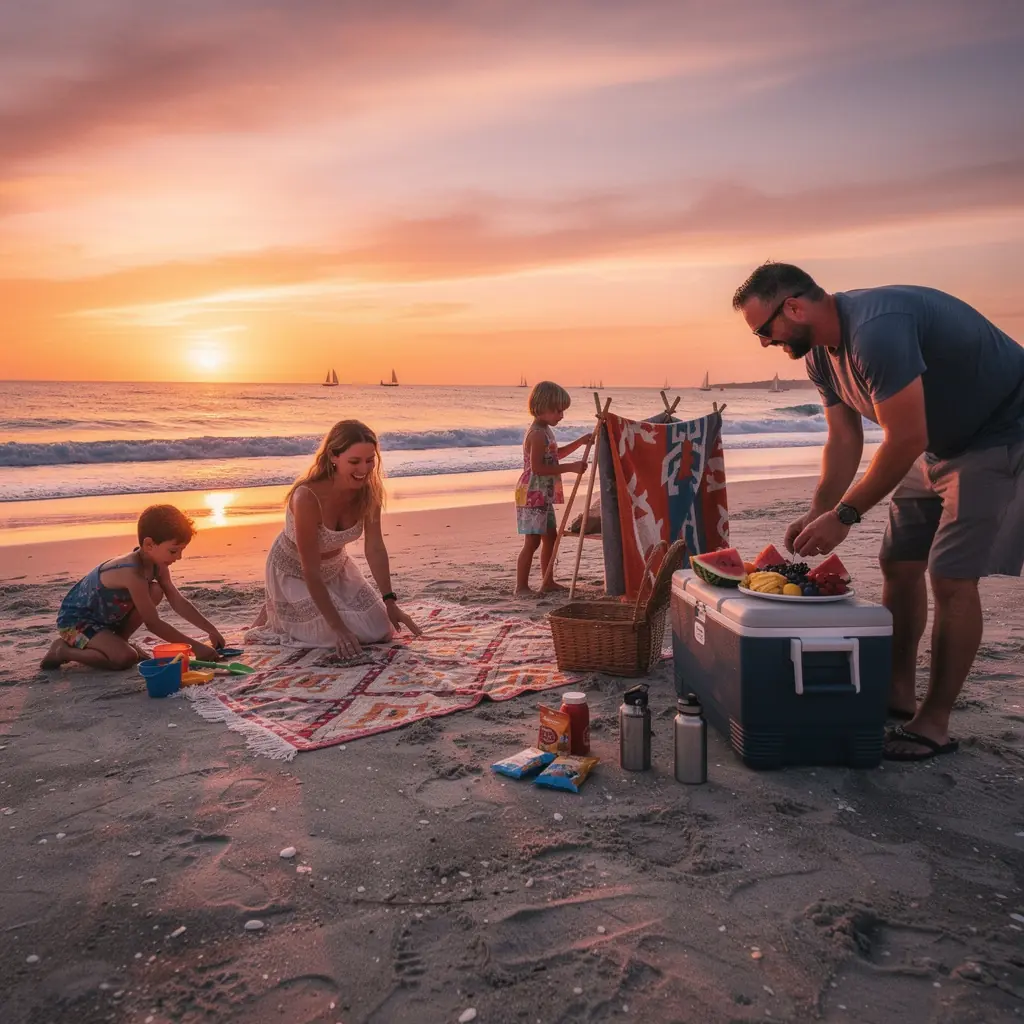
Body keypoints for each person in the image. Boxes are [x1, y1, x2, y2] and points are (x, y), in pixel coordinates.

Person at [732, 262, 1024, 762]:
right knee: (899, 562)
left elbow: (906, 436)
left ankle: (933, 724)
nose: (763, 342)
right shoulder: (821, 357)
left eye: (765, 330)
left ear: (796, 307)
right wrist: (819, 508)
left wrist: (845, 516)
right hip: (935, 445)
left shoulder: (875, 330)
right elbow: (843, 439)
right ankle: (897, 692)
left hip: (999, 433)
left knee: (951, 575)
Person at [248, 419, 421, 658]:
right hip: (296, 571)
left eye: (370, 460)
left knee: (380, 630)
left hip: (337, 569)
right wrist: (338, 629)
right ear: (333, 456)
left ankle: (287, 609)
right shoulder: (306, 497)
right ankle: (276, 607)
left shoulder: (370, 491)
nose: (364, 469)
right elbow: (310, 570)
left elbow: (375, 548)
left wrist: (390, 602)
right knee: (334, 637)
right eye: (354, 461)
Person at [40, 505, 224, 671]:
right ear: (149, 544)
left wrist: (211, 630)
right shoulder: (131, 572)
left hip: (105, 621)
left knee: (155, 591)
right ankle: (62, 651)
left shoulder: (158, 566)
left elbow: (177, 601)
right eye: (174, 550)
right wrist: (194, 648)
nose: (179, 557)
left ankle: (119, 641)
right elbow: (153, 624)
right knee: (124, 658)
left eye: (182, 550)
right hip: (75, 623)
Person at [515, 381, 592, 596]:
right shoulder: (537, 434)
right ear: (541, 407)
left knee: (550, 536)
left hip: (542, 494)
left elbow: (554, 456)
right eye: (558, 410)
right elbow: (538, 468)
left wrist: (580, 443)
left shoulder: (547, 430)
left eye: (563, 411)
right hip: (531, 493)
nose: (561, 415)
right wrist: (571, 468)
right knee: (532, 541)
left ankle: (547, 580)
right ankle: (520, 586)